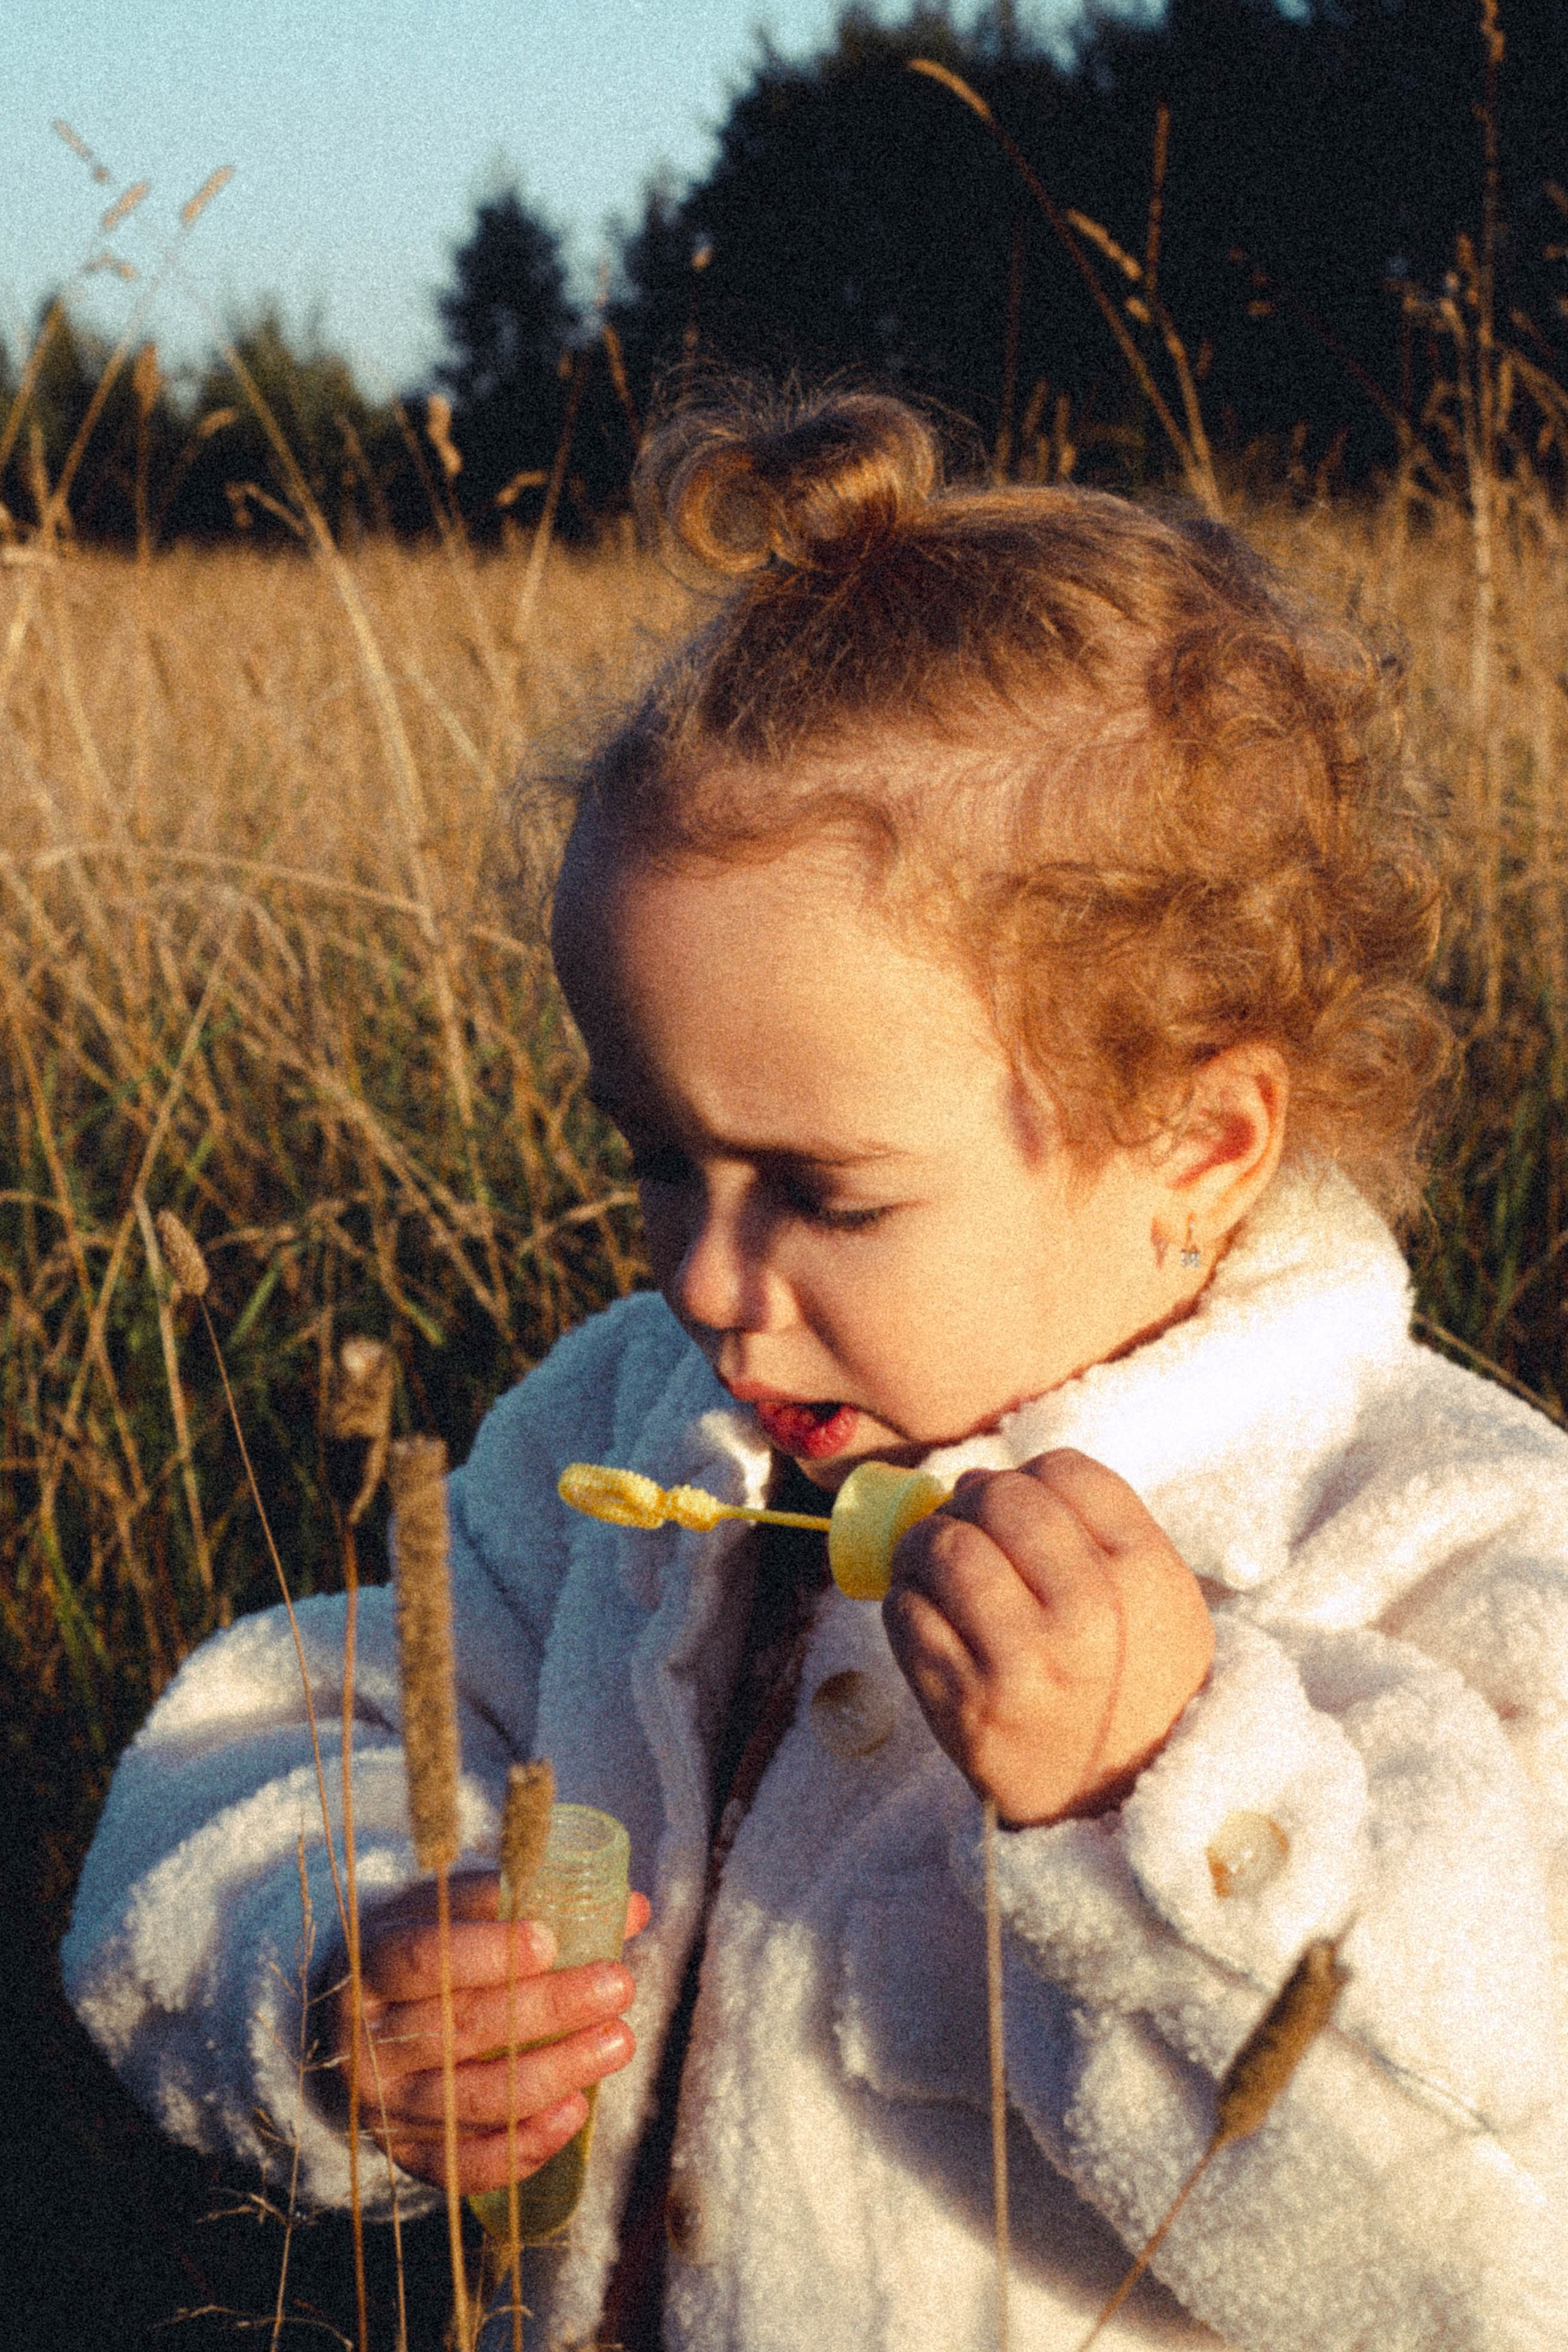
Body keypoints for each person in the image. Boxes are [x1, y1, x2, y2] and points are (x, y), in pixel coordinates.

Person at [65, 391, 1568, 2352]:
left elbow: (1492, 2271)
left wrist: (1153, 1804)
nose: (703, 1278)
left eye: (823, 1194)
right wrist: (340, 1967)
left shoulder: (1445, 1558)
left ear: (1198, 1147)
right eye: (653, 1157)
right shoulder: (632, 1428)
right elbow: (272, 1740)